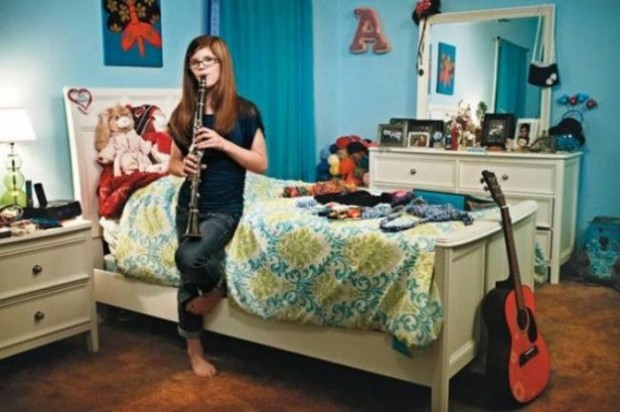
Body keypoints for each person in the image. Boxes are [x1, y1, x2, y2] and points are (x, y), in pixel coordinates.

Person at [167, 35, 268, 377]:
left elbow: (260, 163)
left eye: (208, 61)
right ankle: (194, 351)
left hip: (225, 207)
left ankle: (215, 288)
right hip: (189, 204)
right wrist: (184, 167)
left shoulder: (245, 111)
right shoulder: (183, 113)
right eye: (195, 62)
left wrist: (223, 144)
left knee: (189, 257)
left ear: (222, 65)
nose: (201, 68)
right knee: (186, 277)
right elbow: (172, 163)